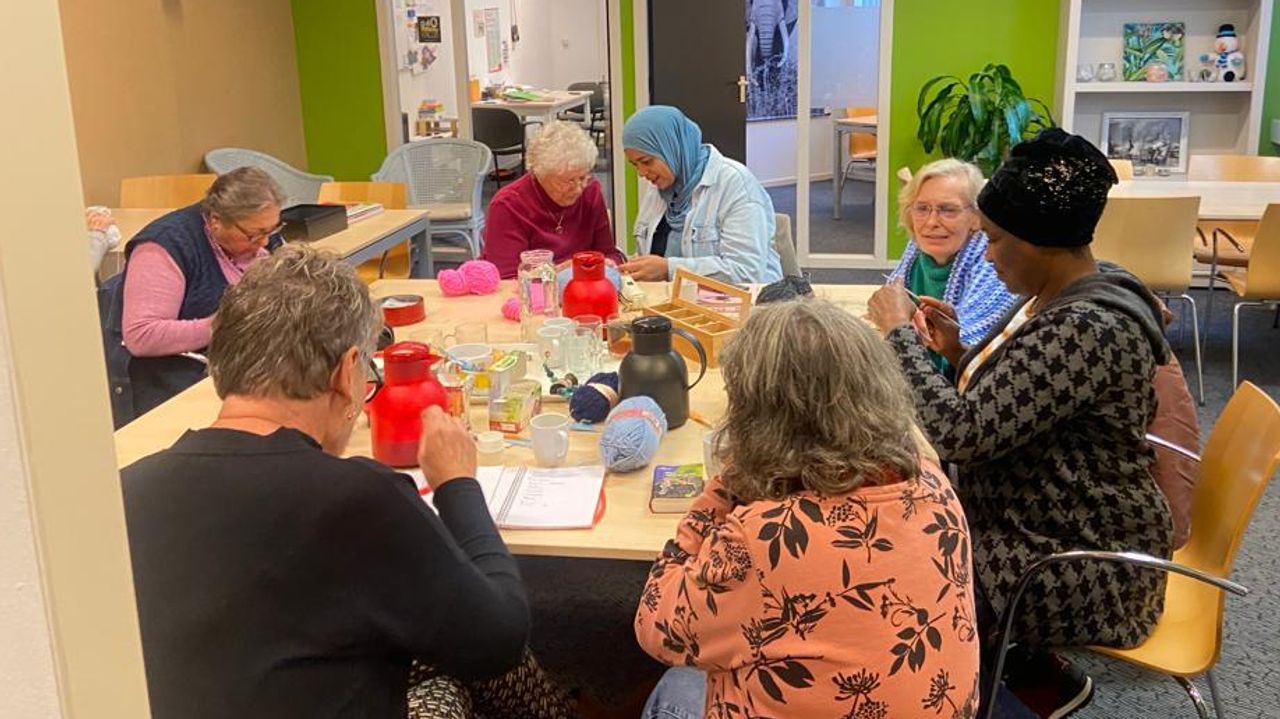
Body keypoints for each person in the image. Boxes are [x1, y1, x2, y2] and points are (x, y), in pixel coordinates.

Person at [121, 245, 574, 719]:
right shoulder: (355, 499)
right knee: (456, 656)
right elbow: (498, 638)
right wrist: (458, 484)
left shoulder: (127, 490)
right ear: (346, 369)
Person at [867, 129, 1173, 718]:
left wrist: (899, 335)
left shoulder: (1087, 326)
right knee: (906, 517)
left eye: (995, 240)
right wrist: (959, 356)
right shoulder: (1060, 294)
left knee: (903, 563)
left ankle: (977, 695)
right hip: (1046, 525)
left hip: (1083, 562)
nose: (985, 254)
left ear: (1042, 243)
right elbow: (1023, 402)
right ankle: (1031, 678)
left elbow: (961, 434)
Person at [635, 299, 981, 718]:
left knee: (678, 683)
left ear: (757, 414)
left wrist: (727, 482)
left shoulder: (765, 536)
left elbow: (656, 626)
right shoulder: (933, 482)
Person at [113, 167, 283, 416]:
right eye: (253, 235)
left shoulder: (261, 233)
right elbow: (141, 335)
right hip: (173, 385)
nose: (265, 242)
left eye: (272, 230)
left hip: (242, 370)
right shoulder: (163, 247)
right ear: (215, 221)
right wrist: (223, 325)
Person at [621, 106, 782, 284]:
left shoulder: (735, 184)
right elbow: (654, 254)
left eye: (646, 161)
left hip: (743, 304)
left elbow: (746, 271)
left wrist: (669, 269)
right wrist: (631, 267)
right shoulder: (662, 185)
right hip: (680, 301)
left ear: (671, 147)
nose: (642, 173)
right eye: (635, 165)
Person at [885, 158, 1018, 372]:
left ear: (977, 218)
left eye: (948, 210)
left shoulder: (994, 267)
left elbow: (973, 354)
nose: (931, 222)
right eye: (922, 208)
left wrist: (898, 325)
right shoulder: (916, 252)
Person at [481, 121, 624, 278]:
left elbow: (609, 253)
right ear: (540, 174)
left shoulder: (591, 191)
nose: (578, 188)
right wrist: (560, 272)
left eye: (583, 177)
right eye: (568, 181)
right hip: (530, 297)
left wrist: (610, 264)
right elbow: (507, 279)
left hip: (584, 290)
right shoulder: (508, 205)